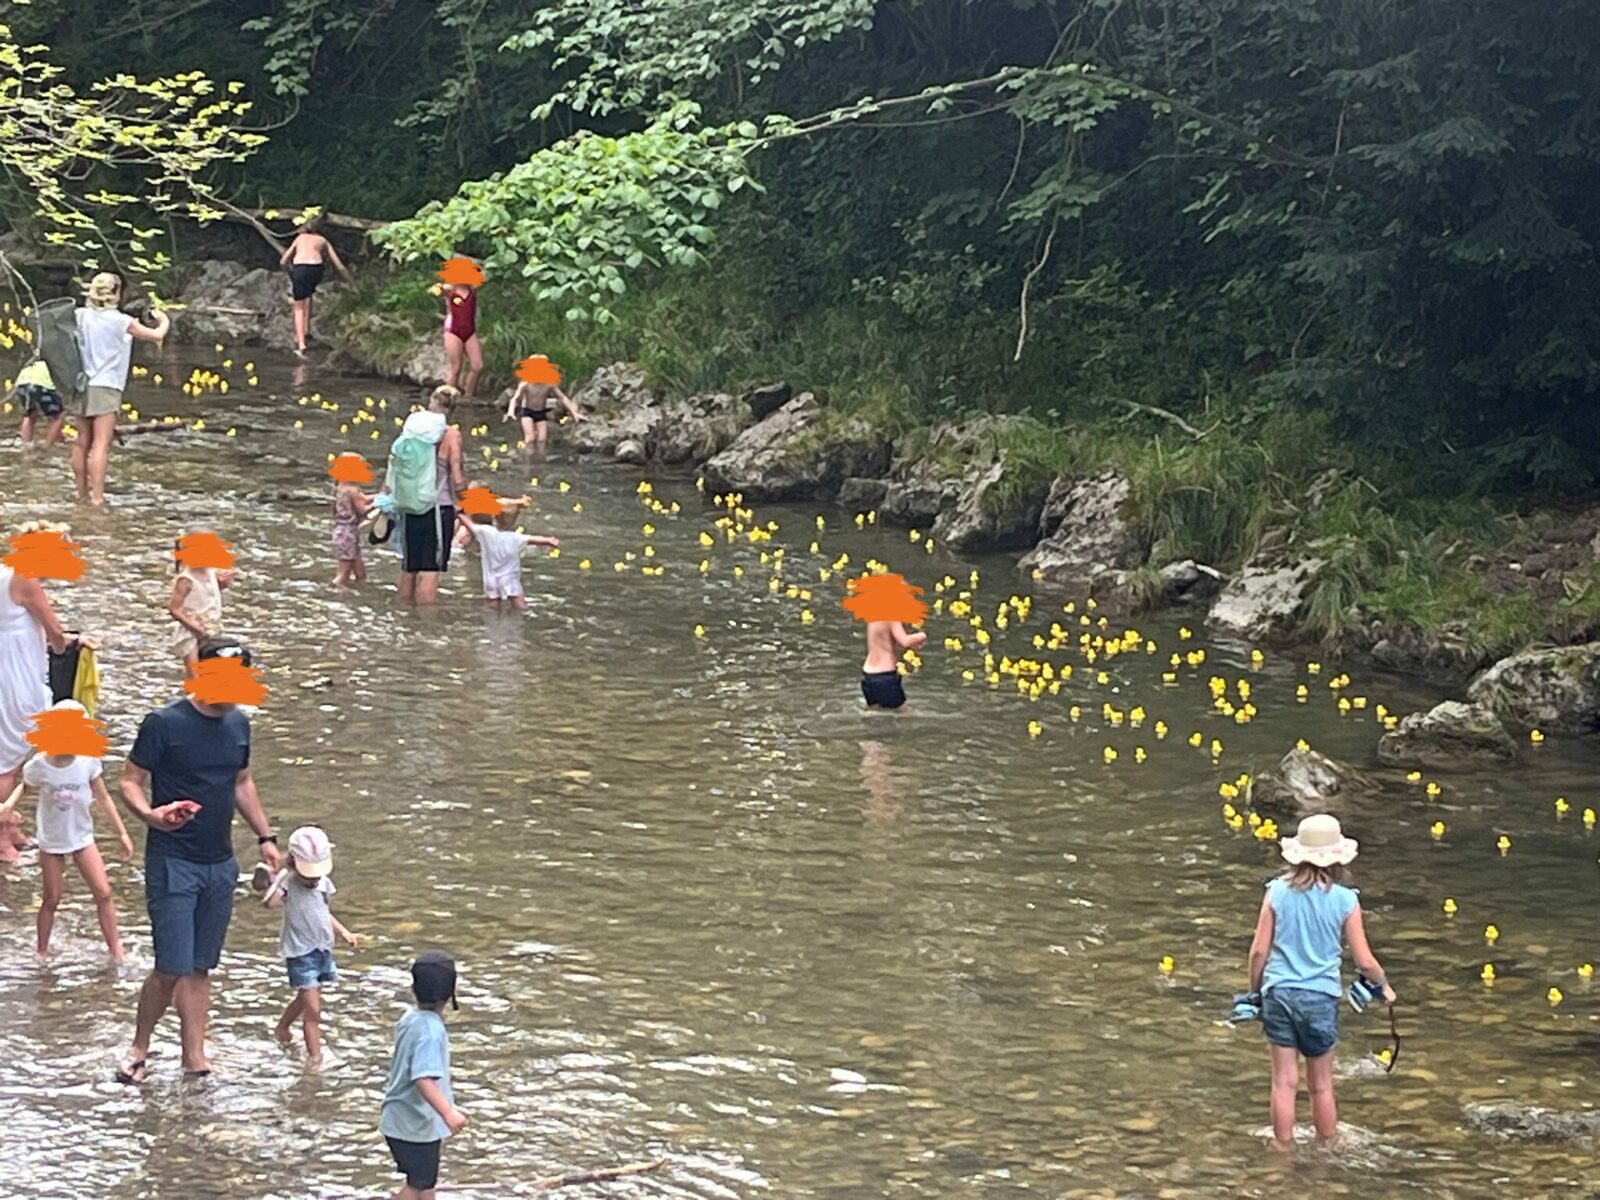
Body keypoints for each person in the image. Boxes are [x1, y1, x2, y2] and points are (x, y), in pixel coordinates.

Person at [115, 637, 283, 1083]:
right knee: (170, 964)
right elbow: (130, 781)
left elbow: (242, 782)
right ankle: (139, 1045)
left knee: (200, 965)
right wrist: (150, 815)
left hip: (220, 862)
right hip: (173, 859)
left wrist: (265, 836)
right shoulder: (164, 723)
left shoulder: (239, 726)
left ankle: (194, 1056)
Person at [1243, 814, 1396, 1149]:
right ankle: (1327, 1148)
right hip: (1319, 998)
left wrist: (1254, 993)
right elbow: (1364, 960)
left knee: (1283, 1082)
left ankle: (1283, 1150)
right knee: (1322, 1085)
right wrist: (1383, 986)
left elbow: (1258, 952)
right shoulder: (1346, 900)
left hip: (1279, 994)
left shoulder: (1276, 893)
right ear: (1338, 859)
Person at [2, 699, 134, 961]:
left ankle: (115, 948)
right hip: (52, 841)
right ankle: (41, 949)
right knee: (52, 898)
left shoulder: (87, 762)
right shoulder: (40, 765)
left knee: (104, 892)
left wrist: (122, 833)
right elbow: (26, 786)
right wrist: (8, 805)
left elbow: (104, 798)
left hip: (83, 837)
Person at [0, 532, 77, 863]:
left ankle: (8, 828)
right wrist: (65, 646)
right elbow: (55, 632)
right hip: (17, 677)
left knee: (13, 753)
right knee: (9, 759)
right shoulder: (27, 578)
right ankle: (1, 835)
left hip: (6, 667)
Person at [73, 272, 170, 506]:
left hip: (80, 384)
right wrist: (163, 319)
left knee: (81, 442)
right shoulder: (121, 321)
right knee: (101, 445)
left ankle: (81, 495)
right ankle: (97, 498)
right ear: (115, 293)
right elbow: (156, 335)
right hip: (106, 386)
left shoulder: (79, 315)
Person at [265, 825, 358, 1068]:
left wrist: (343, 932)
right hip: (299, 952)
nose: (313, 879)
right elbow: (270, 903)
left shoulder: (323, 883)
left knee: (308, 997)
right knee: (313, 1010)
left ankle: (282, 1028)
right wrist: (276, 877)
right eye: (308, 874)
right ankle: (315, 1058)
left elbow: (323, 912)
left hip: (321, 949)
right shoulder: (288, 883)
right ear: (294, 865)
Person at [381, 951, 467, 1200]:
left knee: (425, 1184)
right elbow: (423, 1078)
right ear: (451, 992)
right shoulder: (431, 1031)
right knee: (418, 1184)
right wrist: (448, 1113)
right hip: (415, 1125)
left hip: (400, 1118)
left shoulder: (411, 1019)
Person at [393, 386, 465, 605]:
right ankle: (426, 625)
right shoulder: (451, 434)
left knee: (410, 565)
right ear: (452, 410)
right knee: (431, 567)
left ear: (431, 402)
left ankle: (403, 616)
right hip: (438, 508)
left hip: (409, 505)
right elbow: (457, 478)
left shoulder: (413, 428)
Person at [456, 501, 559, 611]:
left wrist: (459, 513)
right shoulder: (516, 538)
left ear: (495, 517)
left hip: (492, 580)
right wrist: (549, 541)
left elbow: (470, 525)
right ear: (514, 521)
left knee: (493, 605)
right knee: (520, 605)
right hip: (509, 579)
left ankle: (491, 622)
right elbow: (533, 539)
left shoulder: (486, 532)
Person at [279, 216, 354, 357]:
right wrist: (352, 282)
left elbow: (283, 260)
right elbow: (339, 266)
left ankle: (301, 345)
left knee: (298, 307)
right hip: (316, 269)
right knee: (308, 294)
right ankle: (306, 330)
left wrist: (290, 271)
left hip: (300, 269)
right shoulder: (323, 241)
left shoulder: (300, 239)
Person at [167, 535, 235, 677]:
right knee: (196, 677)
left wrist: (223, 582)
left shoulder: (209, 572)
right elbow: (174, 609)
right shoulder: (186, 579)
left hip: (212, 629)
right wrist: (196, 629)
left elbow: (208, 593)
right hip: (191, 632)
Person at [860, 619, 926, 710]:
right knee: (904, 713)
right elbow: (905, 641)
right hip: (885, 676)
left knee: (874, 714)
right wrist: (921, 636)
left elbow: (885, 641)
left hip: (868, 676)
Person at [503, 378, 585, 448]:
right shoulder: (525, 384)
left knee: (541, 440)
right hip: (527, 412)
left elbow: (562, 397)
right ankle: (526, 459)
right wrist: (510, 412)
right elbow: (515, 399)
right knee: (530, 438)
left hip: (541, 412)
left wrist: (574, 413)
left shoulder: (549, 384)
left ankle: (539, 460)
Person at [442, 275, 482, 397]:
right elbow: (441, 288)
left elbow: (481, 279)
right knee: (456, 368)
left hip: (469, 331)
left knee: (478, 365)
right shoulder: (450, 291)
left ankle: (468, 395)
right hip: (453, 330)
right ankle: (445, 399)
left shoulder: (472, 289)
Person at [14, 357, 66, 447]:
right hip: (43, 383)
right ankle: (48, 446)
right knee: (58, 416)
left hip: (22, 380)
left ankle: (25, 445)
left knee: (30, 414)